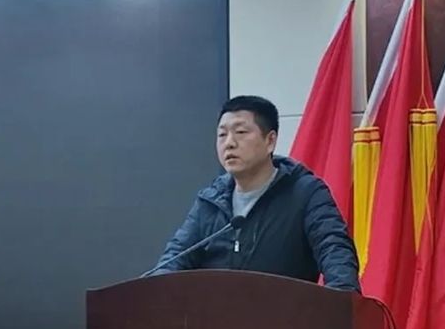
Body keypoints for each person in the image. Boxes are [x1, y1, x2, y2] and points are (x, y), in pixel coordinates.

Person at [151, 95, 360, 292]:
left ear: (270, 141)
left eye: (241, 132)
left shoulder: (306, 194)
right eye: (222, 135)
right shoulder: (211, 201)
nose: (229, 143)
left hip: (285, 314)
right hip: (215, 316)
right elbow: (175, 258)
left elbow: (335, 251)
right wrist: (154, 294)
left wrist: (343, 303)